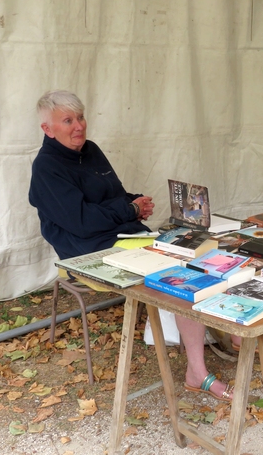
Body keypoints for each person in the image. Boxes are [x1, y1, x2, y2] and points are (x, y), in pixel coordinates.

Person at [29, 90, 233, 401]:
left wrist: (134, 202)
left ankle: (232, 333)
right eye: (68, 120)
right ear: (48, 129)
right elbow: (81, 221)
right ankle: (197, 371)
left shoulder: (91, 150)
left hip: (124, 234)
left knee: (203, 248)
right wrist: (128, 211)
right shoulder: (46, 167)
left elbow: (113, 195)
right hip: (88, 249)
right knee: (179, 271)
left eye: (80, 117)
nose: (79, 126)